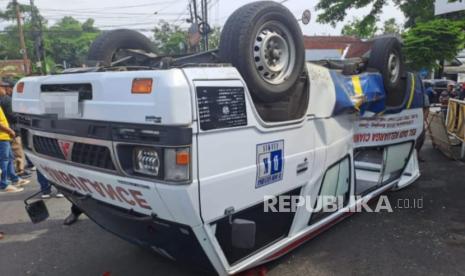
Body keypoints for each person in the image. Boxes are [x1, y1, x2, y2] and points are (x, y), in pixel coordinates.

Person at [0, 81, 30, 178]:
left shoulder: (5, 99)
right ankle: (18, 172)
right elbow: (12, 115)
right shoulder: (7, 100)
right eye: (4, 87)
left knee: (9, 156)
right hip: (10, 129)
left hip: (7, 130)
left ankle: (13, 175)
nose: (7, 89)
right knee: (16, 153)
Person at [0, 101, 29, 193]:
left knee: (9, 158)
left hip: (4, 136)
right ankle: (4, 184)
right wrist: (10, 131)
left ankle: (13, 179)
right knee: (4, 160)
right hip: (2, 136)